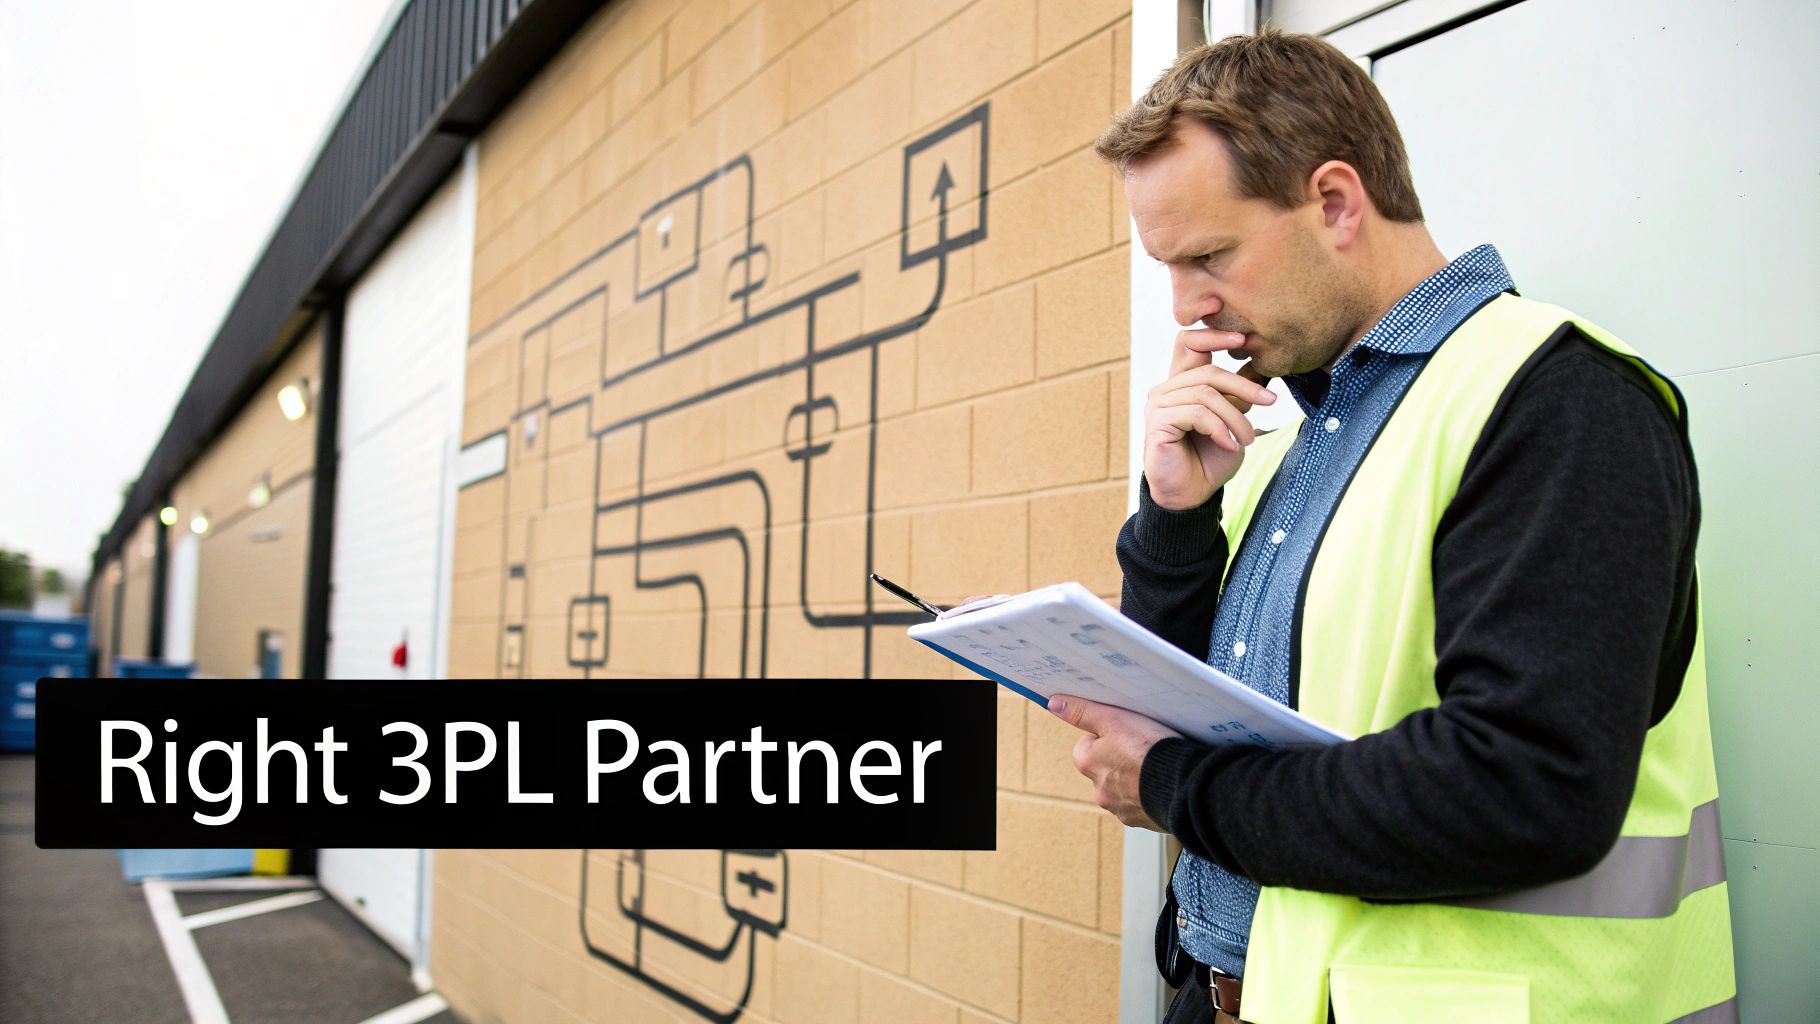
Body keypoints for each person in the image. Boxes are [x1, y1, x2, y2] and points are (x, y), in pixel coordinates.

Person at [1045, 29, 1737, 1024]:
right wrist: (1175, 517)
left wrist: (1173, 784)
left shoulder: (1554, 402)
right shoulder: (1291, 444)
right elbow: (1178, 705)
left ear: (1332, 202)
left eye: (1207, 256)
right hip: (1234, 991)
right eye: (1167, 267)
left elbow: (1521, 789)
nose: (1187, 309)